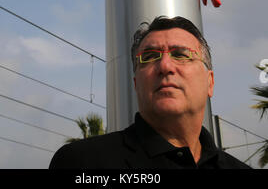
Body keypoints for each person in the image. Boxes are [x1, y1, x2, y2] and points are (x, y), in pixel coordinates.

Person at [49, 16, 250, 169]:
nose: (165, 65)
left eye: (180, 54)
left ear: (210, 82)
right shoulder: (82, 163)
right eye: (150, 56)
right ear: (136, 83)